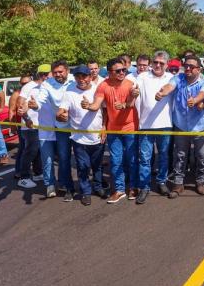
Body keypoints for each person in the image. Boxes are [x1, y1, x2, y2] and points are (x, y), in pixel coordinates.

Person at [85, 58, 139, 204]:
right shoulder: (103, 86)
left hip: (130, 127)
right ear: (109, 72)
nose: (122, 73)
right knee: (116, 161)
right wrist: (87, 105)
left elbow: (131, 102)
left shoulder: (129, 84)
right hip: (113, 129)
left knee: (132, 159)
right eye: (118, 71)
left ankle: (134, 187)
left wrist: (127, 101)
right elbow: (96, 105)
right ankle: (120, 189)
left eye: (124, 70)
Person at [159, 55, 204, 198]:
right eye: (186, 65)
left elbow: (203, 93)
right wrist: (162, 92)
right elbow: (170, 86)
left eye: (191, 67)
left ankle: (200, 182)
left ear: (199, 69)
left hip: (199, 126)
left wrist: (195, 100)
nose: (187, 68)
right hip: (181, 125)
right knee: (180, 155)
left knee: (201, 156)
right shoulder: (178, 78)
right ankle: (178, 183)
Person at [57, 65, 107, 205]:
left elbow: (105, 111)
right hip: (79, 139)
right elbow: (62, 111)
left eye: (84, 76)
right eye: (78, 76)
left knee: (97, 165)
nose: (81, 79)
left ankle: (98, 187)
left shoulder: (98, 90)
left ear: (90, 77)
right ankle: (86, 192)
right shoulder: (69, 93)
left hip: (97, 136)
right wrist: (61, 116)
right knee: (83, 166)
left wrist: (104, 127)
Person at [29, 60, 74, 199]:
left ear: (67, 71)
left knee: (64, 157)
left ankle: (65, 184)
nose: (57, 75)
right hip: (48, 128)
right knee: (47, 159)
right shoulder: (45, 85)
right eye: (54, 73)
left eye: (60, 72)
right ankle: (50, 185)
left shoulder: (74, 81)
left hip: (67, 127)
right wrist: (34, 105)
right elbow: (40, 101)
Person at [135, 51, 175, 202]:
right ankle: (144, 187)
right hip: (145, 125)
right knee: (145, 158)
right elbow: (134, 91)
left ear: (167, 64)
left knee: (164, 155)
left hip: (165, 124)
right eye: (155, 62)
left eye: (161, 63)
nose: (157, 65)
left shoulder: (172, 78)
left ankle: (161, 182)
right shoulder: (142, 77)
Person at [16, 67, 50, 189]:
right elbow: (20, 104)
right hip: (30, 125)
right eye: (49, 74)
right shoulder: (29, 86)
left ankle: (37, 173)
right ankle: (23, 177)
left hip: (41, 124)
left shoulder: (46, 86)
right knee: (30, 151)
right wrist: (27, 119)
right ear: (43, 75)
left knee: (37, 151)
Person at [10, 75, 31, 179]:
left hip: (34, 125)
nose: (25, 85)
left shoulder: (35, 91)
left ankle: (35, 171)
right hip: (21, 126)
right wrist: (13, 126)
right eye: (23, 83)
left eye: (27, 83)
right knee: (23, 148)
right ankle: (19, 171)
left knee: (34, 149)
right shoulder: (16, 94)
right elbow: (12, 110)